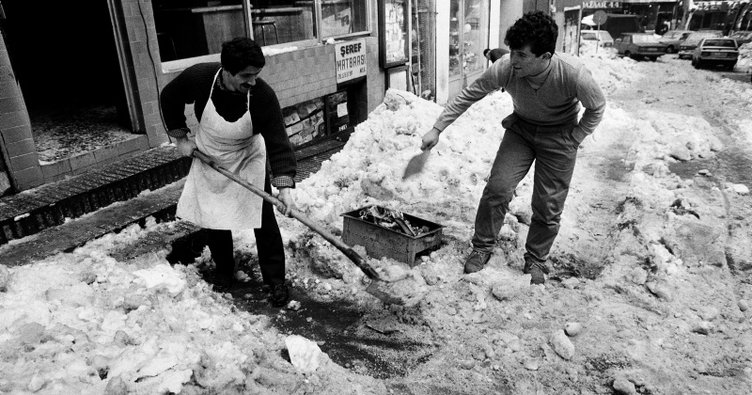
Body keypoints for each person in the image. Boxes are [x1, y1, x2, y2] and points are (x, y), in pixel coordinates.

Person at [421, 11, 606, 285]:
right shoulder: (506, 67)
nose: (513, 60)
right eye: (512, 52)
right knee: (497, 188)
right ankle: (482, 246)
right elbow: (469, 95)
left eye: (522, 55)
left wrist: (575, 137)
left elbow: (597, 107)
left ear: (545, 56)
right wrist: (437, 128)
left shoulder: (573, 74)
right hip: (521, 130)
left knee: (548, 204)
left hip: (560, 136)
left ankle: (536, 258)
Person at [160, 37, 296, 306]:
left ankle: (276, 280)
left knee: (263, 218)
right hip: (210, 154)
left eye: (257, 75)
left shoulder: (263, 96)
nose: (253, 81)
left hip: (246, 156)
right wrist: (181, 138)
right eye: (246, 76)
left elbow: (279, 142)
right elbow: (169, 97)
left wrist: (285, 189)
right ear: (227, 71)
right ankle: (224, 272)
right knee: (214, 215)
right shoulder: (200, 77)